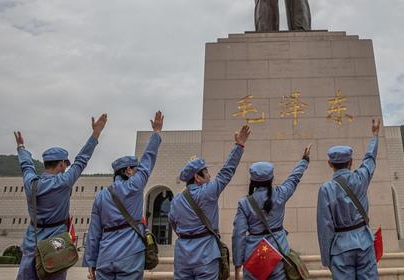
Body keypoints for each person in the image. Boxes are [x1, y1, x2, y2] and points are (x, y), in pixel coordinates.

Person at [13, 113, 108, 280]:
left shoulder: (31, 183)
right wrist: (96, 133)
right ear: (62, 164)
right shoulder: (63, 182)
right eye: (65, 164)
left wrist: (21, 148)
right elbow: (82, 159)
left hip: (32, 238)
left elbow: (26, 166)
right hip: (55, 242)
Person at [83, 111, 164, 280]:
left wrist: (91, 261)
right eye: (136, 168)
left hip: (105, 256)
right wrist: (156, 133)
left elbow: (94, 232)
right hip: (130, 255)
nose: (138, 171)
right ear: (128, 170)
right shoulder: (134, 185)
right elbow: (148, 159)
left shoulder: (101, 196)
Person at [168, 125, 251, 279]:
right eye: (206, 172)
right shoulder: (208, 192)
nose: (209, 175)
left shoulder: (176, 200)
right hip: (206, 253)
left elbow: (173, 224)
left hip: (182, 255)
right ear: (197, 177)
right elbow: (226, 171)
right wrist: (239, 146)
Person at [233, 145, 312, 280]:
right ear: (271, 178)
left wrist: (237, 264)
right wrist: (304, 160)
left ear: (252, 181)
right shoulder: (280, 194)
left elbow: (238, 234)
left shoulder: (244, 203)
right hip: (277, 252)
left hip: (253, 256)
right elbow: (294, 178)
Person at [316, 119, 381, 280]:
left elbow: (325, 226)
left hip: (340, 248)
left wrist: (326, 258)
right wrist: (374, 136)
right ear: (351, 162)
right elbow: (369, 159)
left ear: (330, 164)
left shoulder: (326, 189)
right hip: (364, 242)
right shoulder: (361, 178)